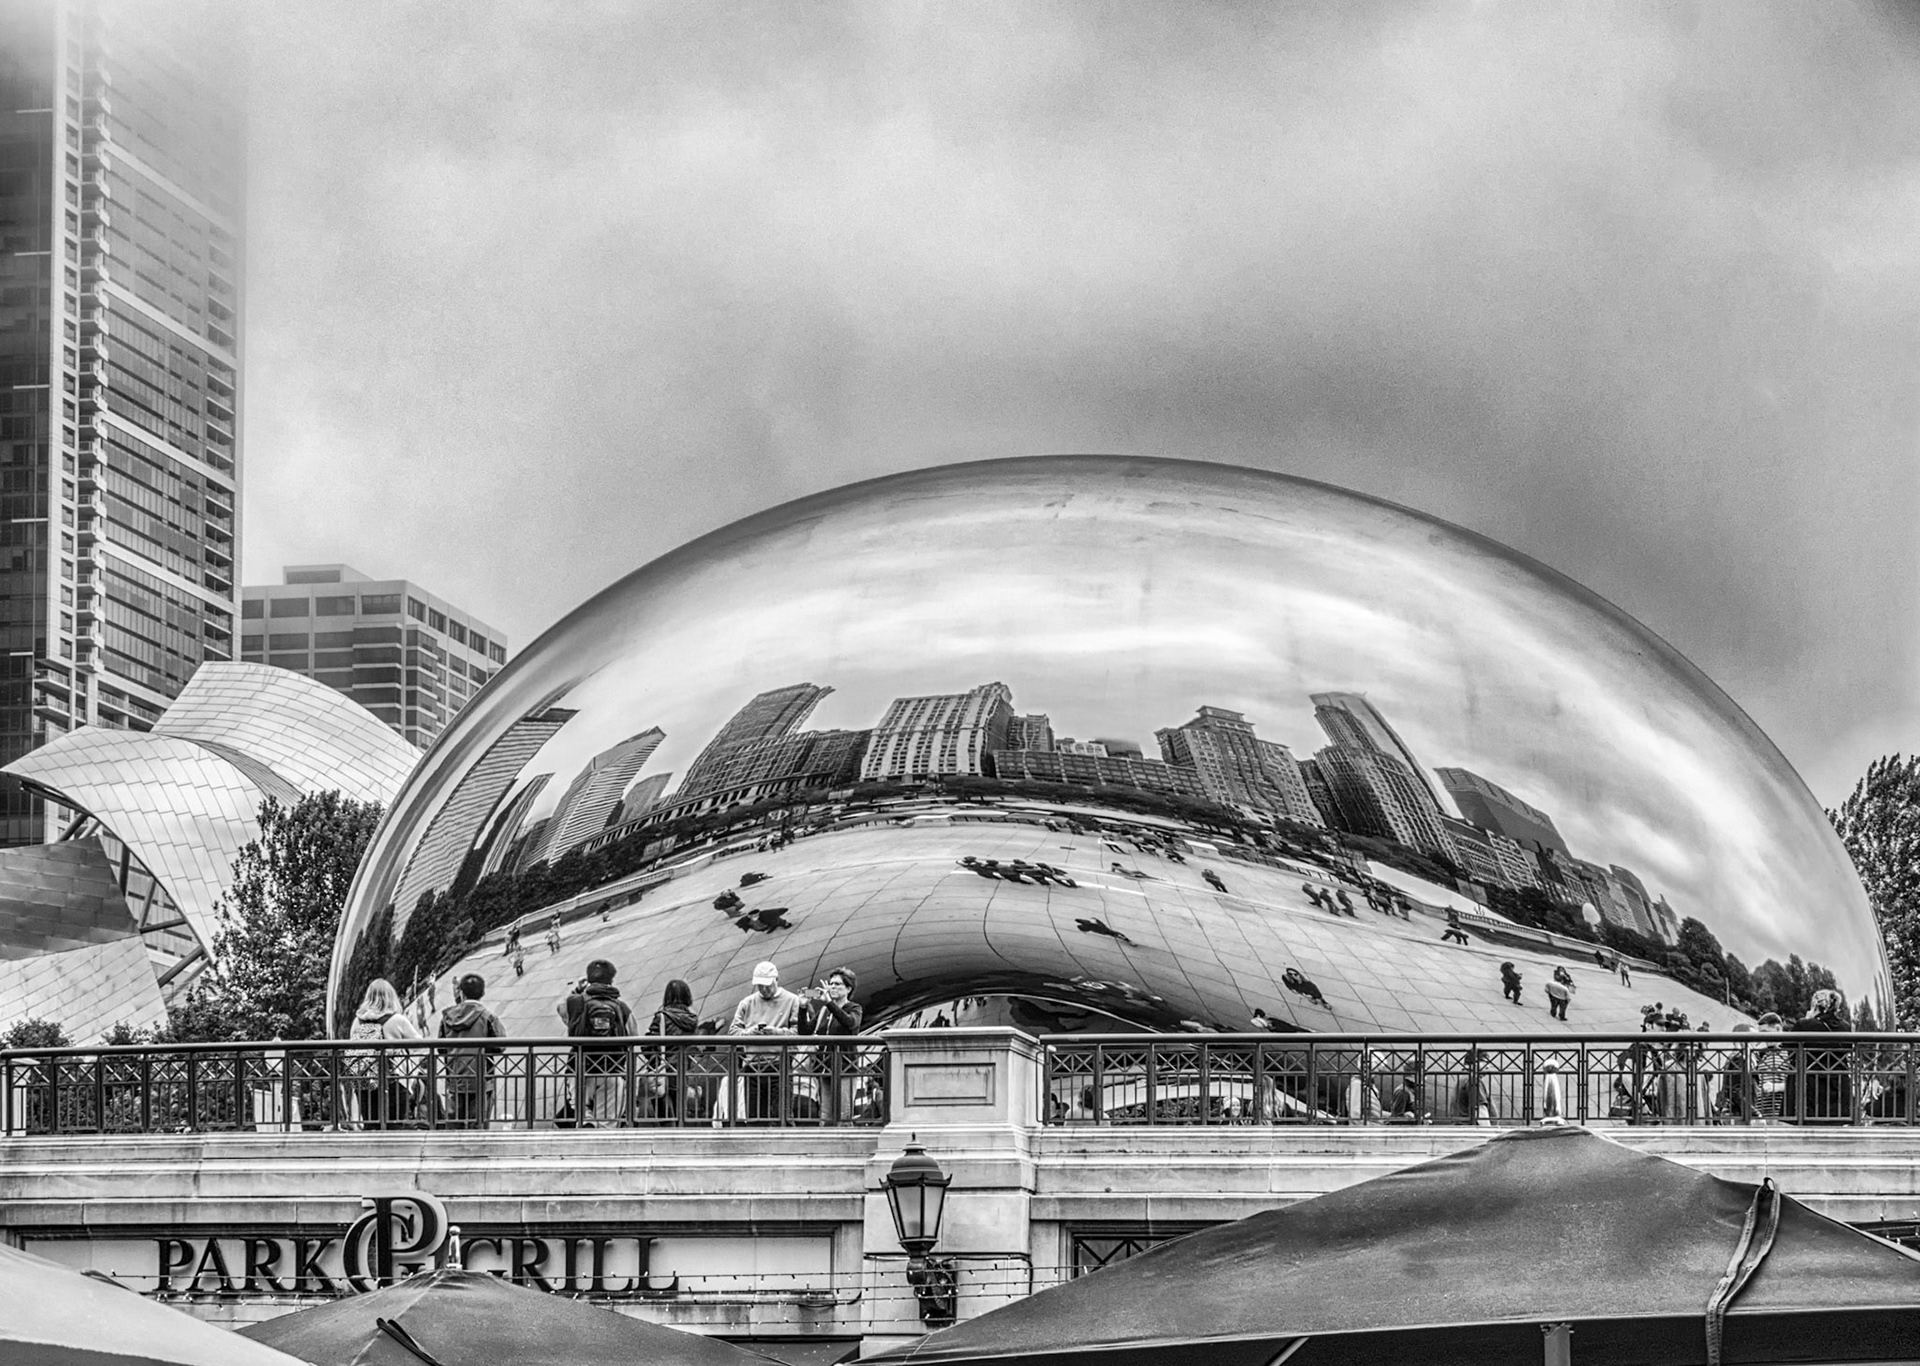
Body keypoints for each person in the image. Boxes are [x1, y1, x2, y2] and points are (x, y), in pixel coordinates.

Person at [557, 959, 637, 1127]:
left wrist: (578, 990)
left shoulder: (575, 1003)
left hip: (579, 1070)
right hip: (611, 1071)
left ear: (588, 979)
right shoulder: (621, 1008)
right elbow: (633, 1036)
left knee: (582, 1117)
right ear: (611, 980)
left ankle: (587, 1124)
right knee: (607, 1124)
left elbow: (561, 1009)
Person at [728, 961, 802, 1121]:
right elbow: (733, 1033)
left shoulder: (792, 1000)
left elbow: (799, 1034)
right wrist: (751, 1032)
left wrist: (777, 1032)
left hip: (780, 1065)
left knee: (782, 1117)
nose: (763, 989)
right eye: (759, 985)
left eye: (767, 985)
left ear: (777, 979)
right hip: (753, 1066)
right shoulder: (746, 1003)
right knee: (754, 1118)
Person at [347, 978, 420, 1130]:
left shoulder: (357, 1021)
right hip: (392, 1080)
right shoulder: (397, 1020)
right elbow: (419, 1044)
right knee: (395, 1125)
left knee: (371, 1125)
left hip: (365, 1082)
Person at [438, 973, 504, 1129]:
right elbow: (500, 1045)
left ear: (461, 992)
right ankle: (477, 1152)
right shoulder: (487, 1016)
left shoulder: (447, 1017)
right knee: (478, 1126)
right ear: (482, 993)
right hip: (482, 1079)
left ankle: (455, 1152)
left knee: (454, 1125)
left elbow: (441, 1048)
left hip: (455, 1078)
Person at [799, 966, 864, 1122]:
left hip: (845, 1067)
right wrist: (802, 1007)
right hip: (825, 1067)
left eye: (837, 984)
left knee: (844, 1115)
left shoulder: (854, 1008)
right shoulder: (824, 1011)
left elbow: (849, 1023)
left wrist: (829, 1003)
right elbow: (804, 1031)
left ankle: (846, 1144)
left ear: (848, 989)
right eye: (831, 983)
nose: (833, 987)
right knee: (826, 1115)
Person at [1790, 988, 1853, 1123]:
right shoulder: (1845, 1027)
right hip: (1838, 1083)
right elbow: (1847, 1049)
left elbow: (1790, 1049)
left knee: (1809, 1127)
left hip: (1810, 1084)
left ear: (1815, 1005)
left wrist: (1808, 1019)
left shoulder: (1804, 1024)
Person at [643, 979, 700, 1121]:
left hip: (664, 1070)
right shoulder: (692, 1020)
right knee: (678, 1111)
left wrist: (654, 1062)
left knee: (663, 1114)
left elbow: (646, 1045)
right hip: (683, 1070)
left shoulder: (662, 1017)